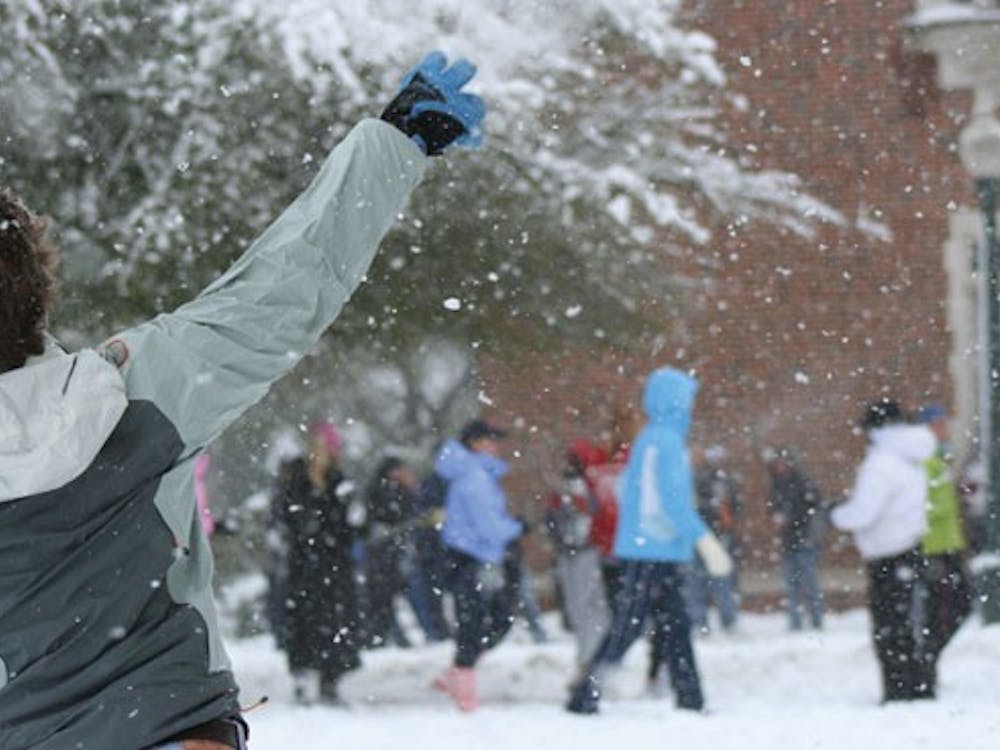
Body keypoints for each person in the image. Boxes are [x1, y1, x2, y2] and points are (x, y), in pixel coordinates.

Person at [0, 51, 484, 749]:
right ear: (36, 287)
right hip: (170, 728)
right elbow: (284, 287)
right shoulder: (135, 393)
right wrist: (396, 139)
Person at [566, 367, 732, 715]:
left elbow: (633, 492)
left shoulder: (652, 440)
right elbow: (672, 502)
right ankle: (585, 693)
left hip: (654, 550)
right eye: (686, 401)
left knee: (675, 626)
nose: (689, 408)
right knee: (631, 626)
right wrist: (704, 540)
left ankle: (691, 698)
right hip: (652, 552)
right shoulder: (665, 442)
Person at [831, 398, 937, 703]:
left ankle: (898, 690)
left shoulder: (880, 463)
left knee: (889, 630)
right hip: (910, 549)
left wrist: (837, 514)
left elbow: (864, 512)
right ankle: (918, 686)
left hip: (888, 557)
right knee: (909, 626)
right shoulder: (909, 459)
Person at [433, 419, 524, 712]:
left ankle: (458, 675)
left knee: (482, 622)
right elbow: (489, 526)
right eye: (491, 440)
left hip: (475, 559)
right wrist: (517, 528)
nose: (497, 447)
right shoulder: (475, 478)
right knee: (483, 622)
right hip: (472, 559)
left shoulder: (475, 475)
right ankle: (464, 688)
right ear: (474, 443)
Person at [275, 422, 366, 705]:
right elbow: (287, 517)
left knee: (334, 622)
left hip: (334, 567)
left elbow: (349, 525)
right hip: (306, 566)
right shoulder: (297, 480)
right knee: (304, 622)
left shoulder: (340, 481)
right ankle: (302, 679)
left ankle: (330, 681)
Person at [915, 404, 973, 690]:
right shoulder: (925, 462)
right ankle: (925, 661)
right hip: (933, 548)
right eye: (938, 425)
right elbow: (922, 504)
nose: (944, 430)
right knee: (946, 607)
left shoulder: (940, 459)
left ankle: (928, 660)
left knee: (951, 607)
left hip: (948, 544)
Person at [545, 439, 612, 667]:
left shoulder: (590, 487)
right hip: (576, 552)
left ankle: (591, 659)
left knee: (587, 608)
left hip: (585, 552)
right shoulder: (574, 488)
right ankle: (589, 658)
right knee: (582, 609)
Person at [765, 446, 826, 631]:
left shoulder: (802, 482)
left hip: (805, 539)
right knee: (791, 584)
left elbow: (811, 508)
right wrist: (777, 515)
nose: (780, 467)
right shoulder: (776, 484)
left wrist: (789, 517)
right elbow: (772, 506)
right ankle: (795, 622)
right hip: (787, 541)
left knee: (809, 582)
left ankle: (816, 620)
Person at [363, 456, 420, 649]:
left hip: (386, 553)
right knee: (384, 598)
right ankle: (380, 636)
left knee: (382, 598)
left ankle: (380, 636)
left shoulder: (382, 490)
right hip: (388, 553)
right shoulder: (389, 492)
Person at [685, 444, 741, 635]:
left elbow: (727, 507)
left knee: (717, 580)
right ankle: (703, 621)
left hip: (712, 536)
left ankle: (725, 620)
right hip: (701, 537)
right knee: (701, 582)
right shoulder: (695, 479)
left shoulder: (716, 480)